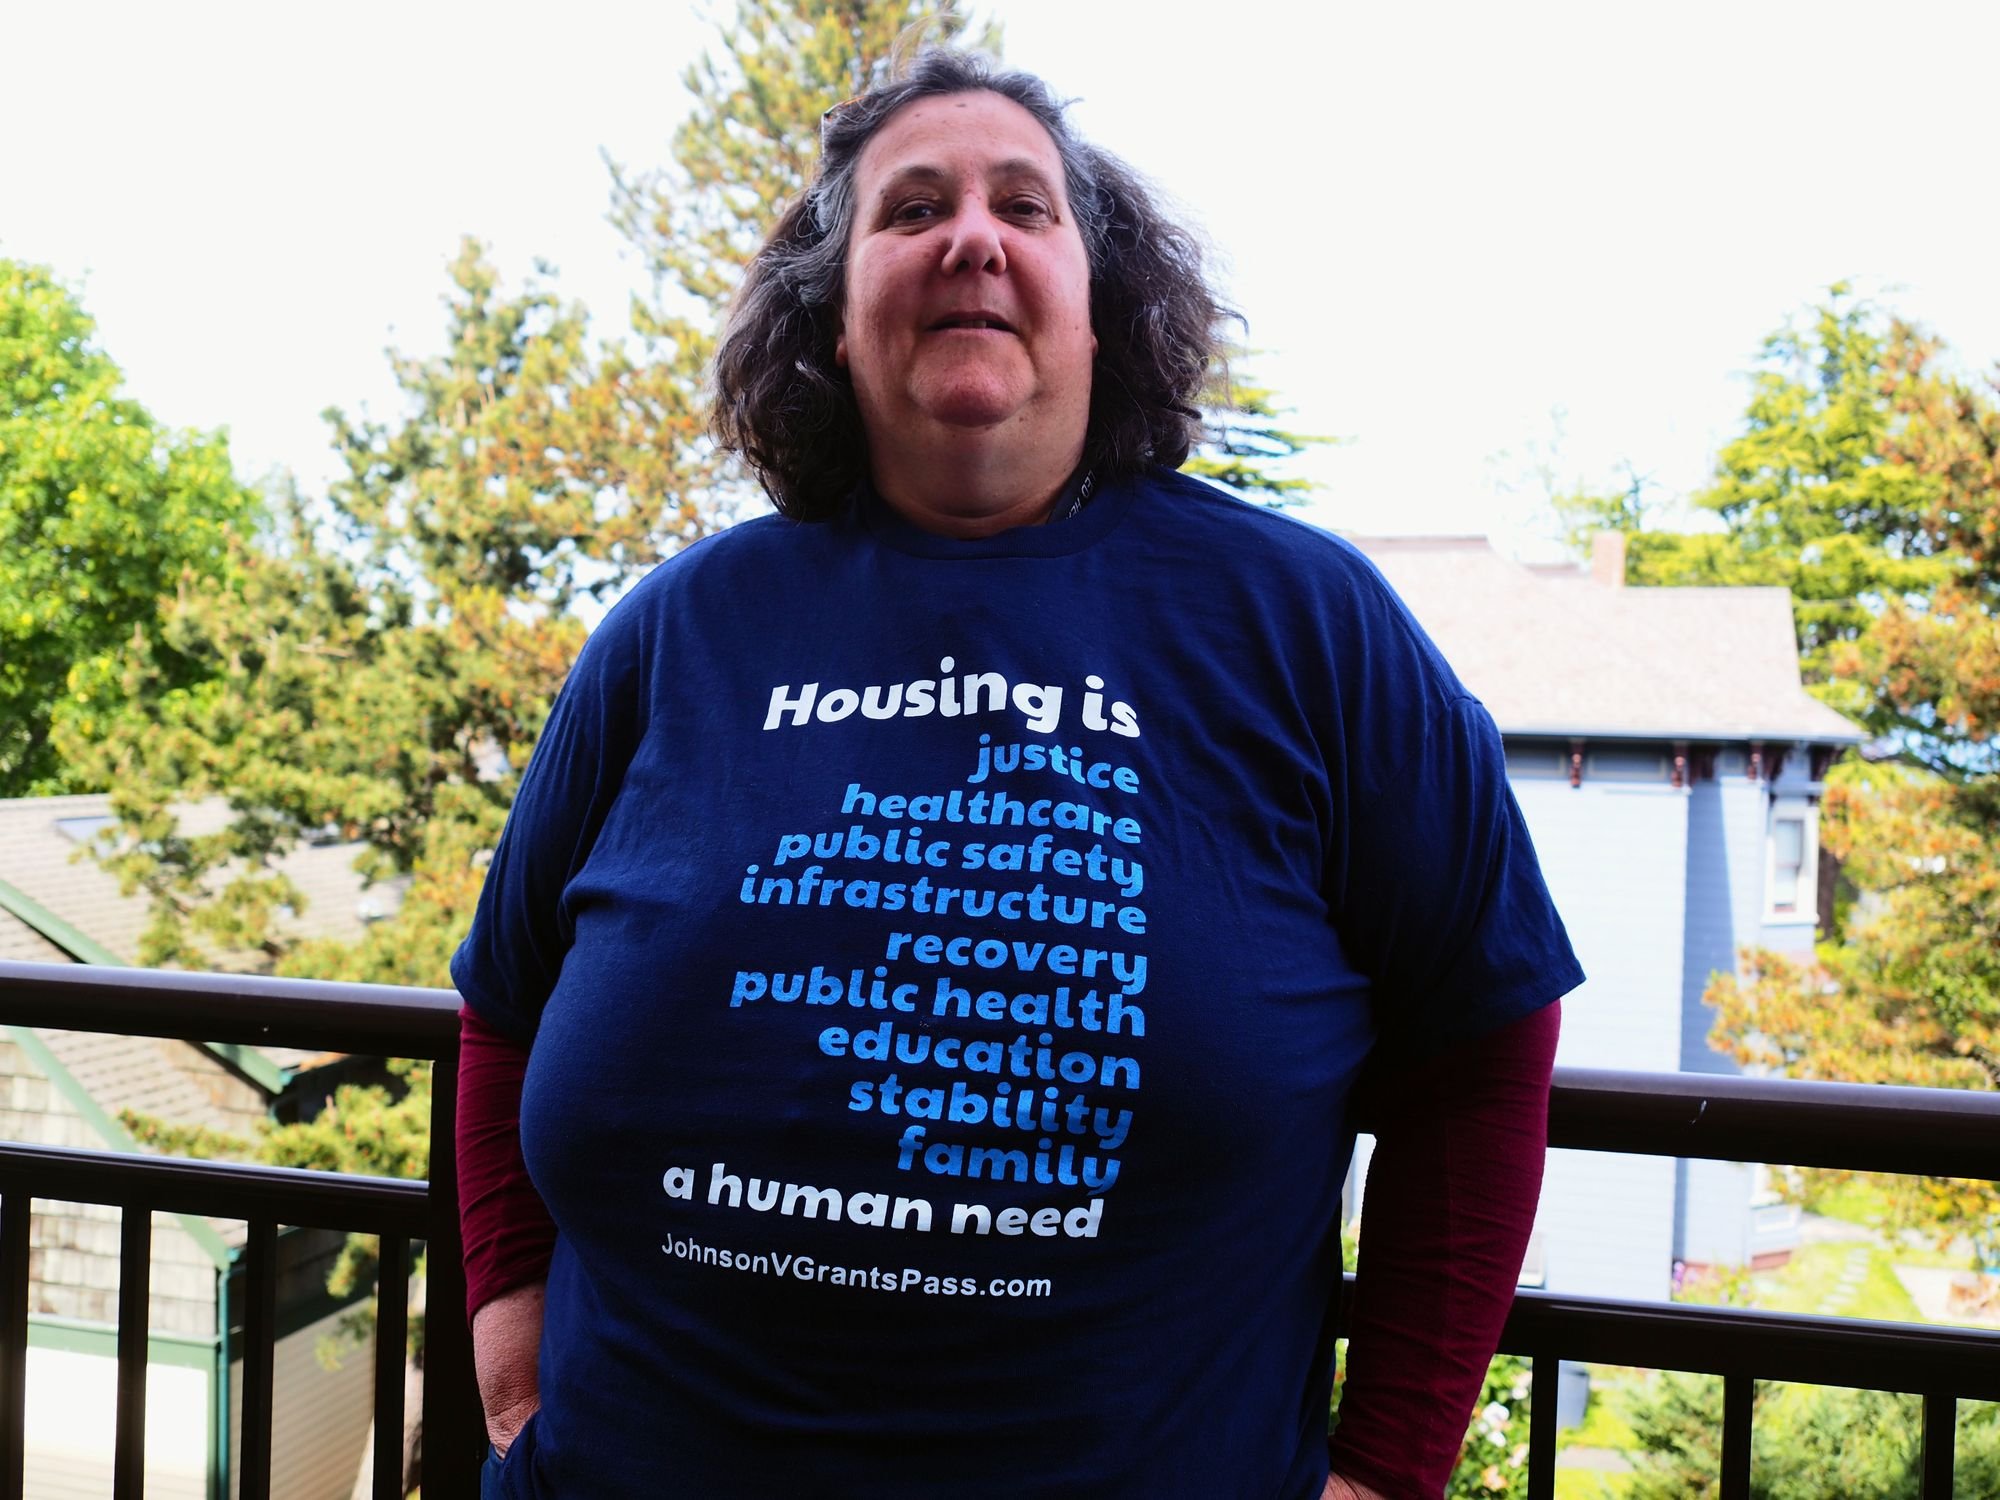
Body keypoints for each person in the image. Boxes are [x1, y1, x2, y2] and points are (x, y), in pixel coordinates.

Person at [451, 47, 1581, 1500]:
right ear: (835, 319)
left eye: (1026, 207)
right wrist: (512, 1362)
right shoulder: (675, 632)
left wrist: (1388, 1471)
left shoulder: (1304, 623)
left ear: (1102, 311)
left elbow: (1484, 1043)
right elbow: (504, 1006)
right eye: (913, 207)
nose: (972, 238)